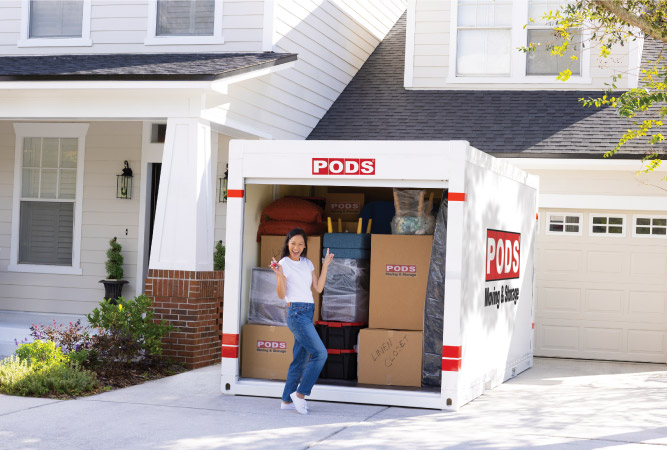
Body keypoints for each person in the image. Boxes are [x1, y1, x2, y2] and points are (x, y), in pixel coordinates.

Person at [270, 228, 334, 414]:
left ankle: (286, 401)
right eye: (292, 244)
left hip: (307, 312)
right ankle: (299, 395)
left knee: (299, 360)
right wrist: (279, 275)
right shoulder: (283, 263)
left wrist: (326, 265)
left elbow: (318, 288)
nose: (296, 247)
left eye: (300, 244)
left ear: (304, 246)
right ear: (287, 244)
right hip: (296, 313)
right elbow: (281, 294)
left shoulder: (307, 263)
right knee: (320, 354)